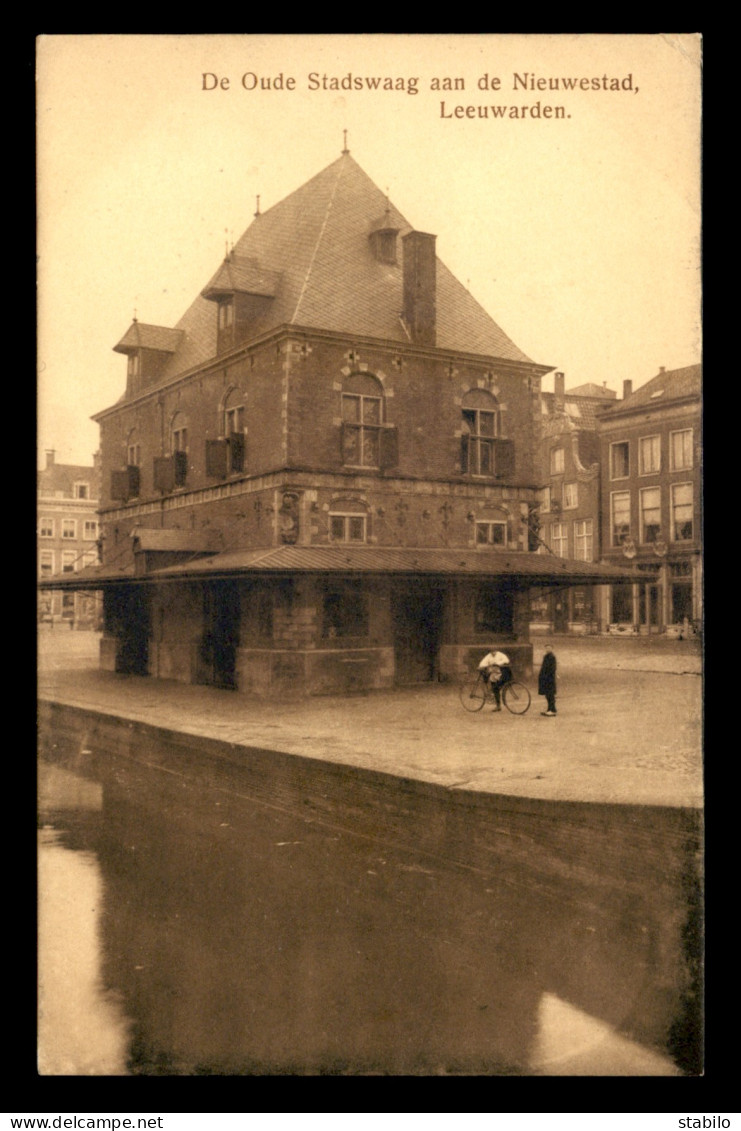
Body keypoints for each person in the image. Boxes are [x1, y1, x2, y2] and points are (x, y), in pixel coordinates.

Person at [538, 644, 557, 716]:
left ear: (552, 649)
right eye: (546, 648)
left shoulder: (552, 657)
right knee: (547, 695)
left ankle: (552, 710)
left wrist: (547, 676)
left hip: (549, 679)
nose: (548, 649)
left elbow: (553, 668)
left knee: (550, 694)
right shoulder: (546, 656)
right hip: (545, 678)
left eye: (549, 648)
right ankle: (549, 709)